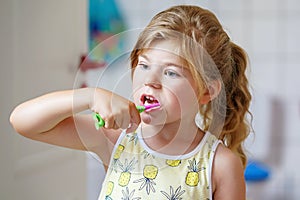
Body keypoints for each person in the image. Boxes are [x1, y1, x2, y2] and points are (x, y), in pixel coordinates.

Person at [10, 5, 252, 200]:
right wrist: (90, 96)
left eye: (171, 73)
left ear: (207, 92)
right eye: (144, 65)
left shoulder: (220, 165)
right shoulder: (115, 138)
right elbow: (22, 121)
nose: (151, 81)